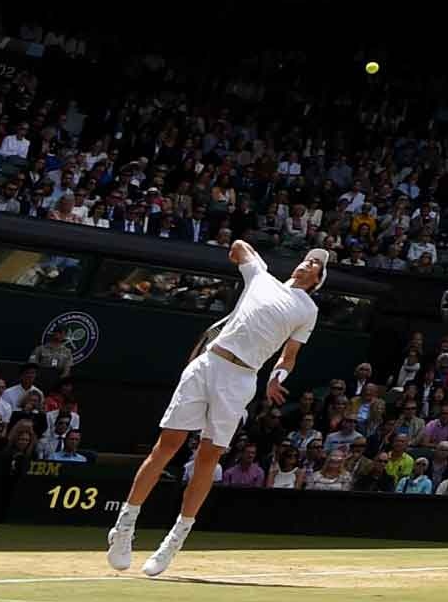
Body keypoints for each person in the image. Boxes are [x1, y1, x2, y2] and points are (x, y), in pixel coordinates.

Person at [108, 239, 326, 578]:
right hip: (208, 363)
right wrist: (244, 253)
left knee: (207, 458)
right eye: (308, 259)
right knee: (167, 446)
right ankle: (124, 527)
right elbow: (238, 246)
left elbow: (289, 356)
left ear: (318, 280)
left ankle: (174, 539)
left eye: (316, 265)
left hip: (241, 379)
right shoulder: (261, 277)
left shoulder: (307, 310)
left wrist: (277, 377)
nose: (308, 264)